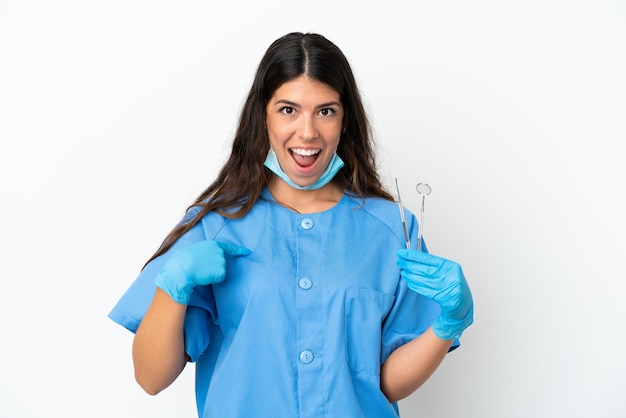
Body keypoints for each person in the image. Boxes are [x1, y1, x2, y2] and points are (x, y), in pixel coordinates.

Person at [108, 31, 473, 417]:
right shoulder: (217, 224)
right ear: (262, 117)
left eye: (326, 111)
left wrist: (448, 324)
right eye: (288, 110)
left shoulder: (391, 229)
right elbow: (151, 378)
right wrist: (172, 284)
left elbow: (383, 383)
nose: (308, 132)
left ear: (345, 120)